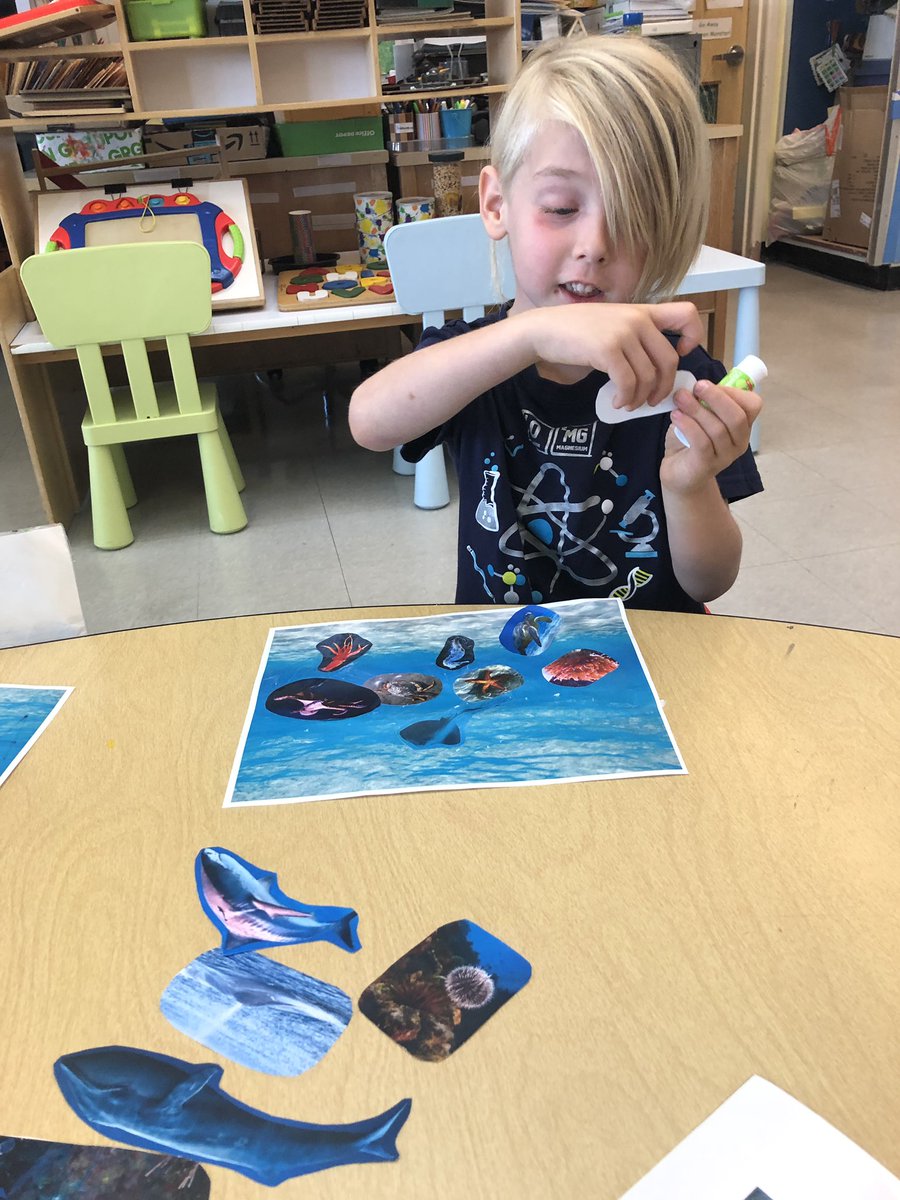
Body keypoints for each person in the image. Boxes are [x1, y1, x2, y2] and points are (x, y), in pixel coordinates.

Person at [349, 36, 763, 612]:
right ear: (497, 206)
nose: (593, 246)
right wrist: (531, 334)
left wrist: (687, 486)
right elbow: (368, 422)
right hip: (510, 671)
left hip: (650, 664)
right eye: (562, 208)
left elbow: (710, 582)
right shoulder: (477, 357)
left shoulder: (683, 375)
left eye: (631, 217)